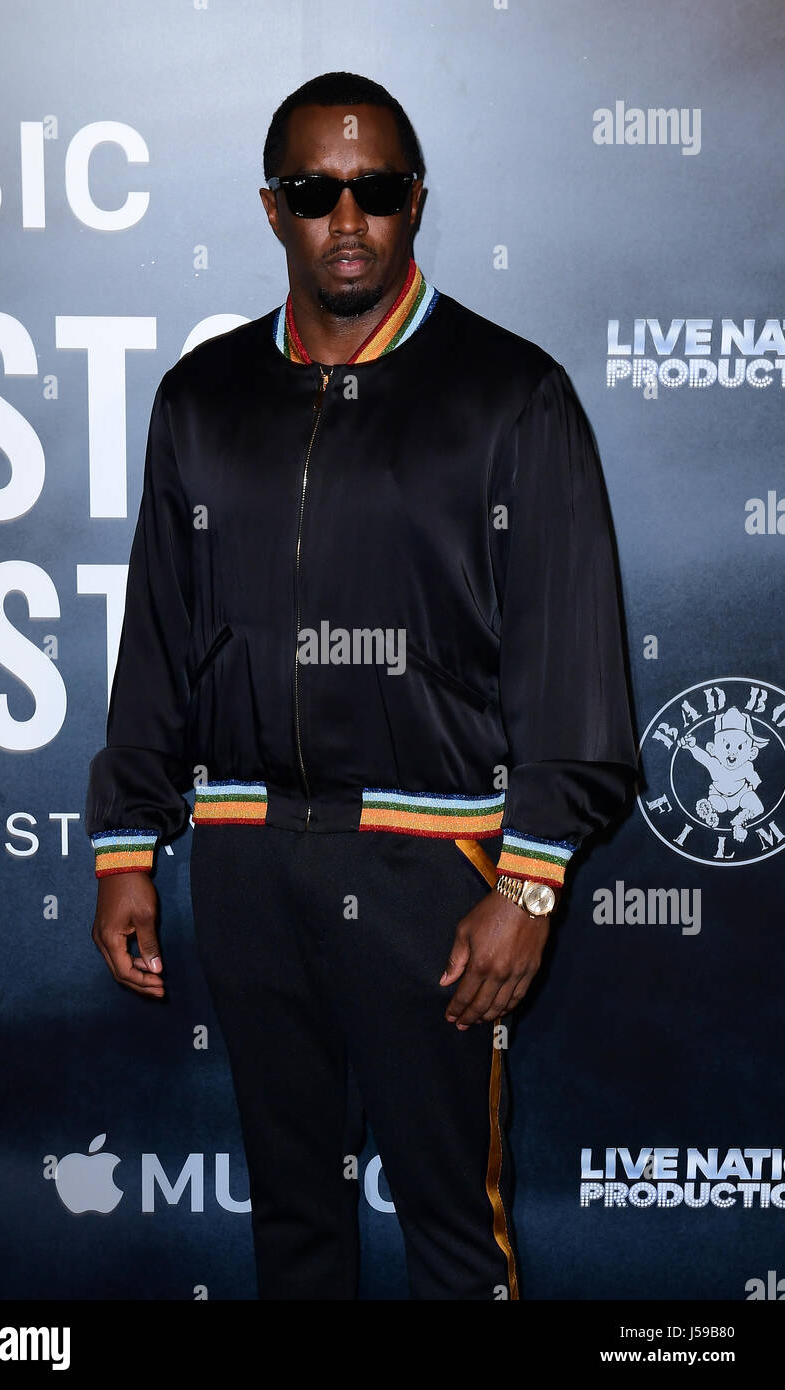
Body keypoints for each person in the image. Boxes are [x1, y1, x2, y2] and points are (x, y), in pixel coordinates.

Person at [85, 71, 638, 1301]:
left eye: (375, 191)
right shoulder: (202, 395)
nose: (348, 218)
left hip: (432, 872)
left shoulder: (510, 392)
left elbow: (573, 663)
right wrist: (127, 842)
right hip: (244, 861)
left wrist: (531, 882)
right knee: (291, 1226)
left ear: (417, 202)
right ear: (271, 208)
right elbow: (160, 636)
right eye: (316, 191)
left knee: (453, 1231)